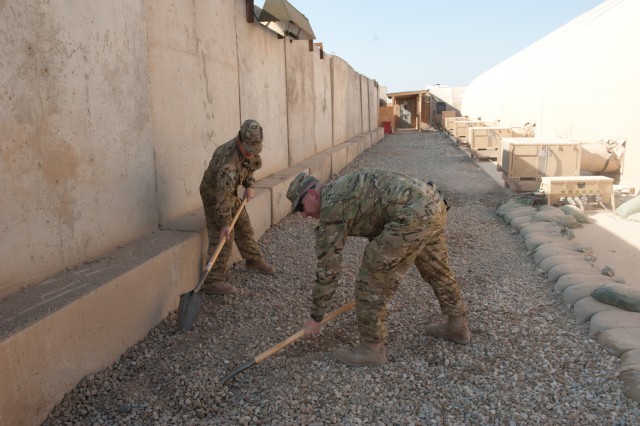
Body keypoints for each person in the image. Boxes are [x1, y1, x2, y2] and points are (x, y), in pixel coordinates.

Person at [286, 168, 470, 366]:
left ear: (312, 194)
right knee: (437, 270)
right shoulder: (342, 187)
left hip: (411, 216)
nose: (303, 215)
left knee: (370, 283)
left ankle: (371, 349)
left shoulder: (332, 208)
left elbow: (328, 269)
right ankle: (458, 325)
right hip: (432, 202)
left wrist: (316, 316)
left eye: (300, 207)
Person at [199, 119, 275, 295]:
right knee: (225, 235)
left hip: (229, 190)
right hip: (214, 194)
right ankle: (212, 281)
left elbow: (249, 169)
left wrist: (249, 185)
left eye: (254, 150)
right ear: (240, 140)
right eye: (248, 150)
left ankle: (253, 260)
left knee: (243, 223)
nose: (251, 154)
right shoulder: (228, 163)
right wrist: (224, 223)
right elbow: (222, 197)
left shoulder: (250, 149)